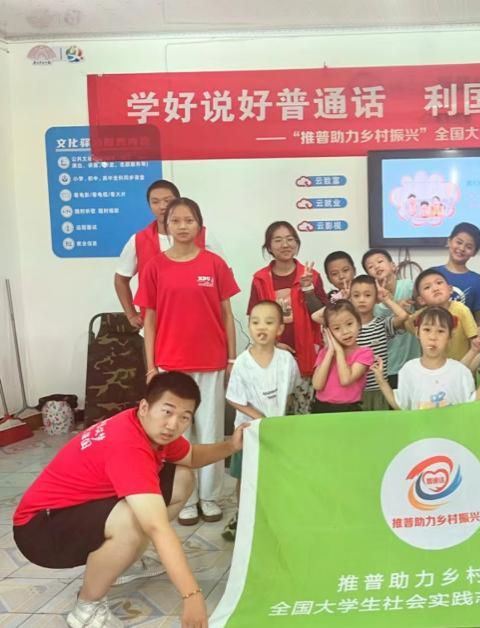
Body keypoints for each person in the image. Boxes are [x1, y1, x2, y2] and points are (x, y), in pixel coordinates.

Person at [13, 372, 247, 628]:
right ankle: (86, 608)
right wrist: (192, 596)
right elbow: (156, 527)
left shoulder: (146, 426)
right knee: (134, 521)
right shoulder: (128, 445)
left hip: (72, 510)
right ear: (145, 407)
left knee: (182, 478)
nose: (173, 425)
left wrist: (231, 446)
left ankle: (122, 560)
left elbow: (191, 457)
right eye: (167, 412)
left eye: (184, 417)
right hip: (40, 530)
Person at [135, 198, 238, 526]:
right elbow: (149, 321)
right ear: (165, 226)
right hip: (171, 364)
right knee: (176, 432)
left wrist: (231, 358)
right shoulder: (154, 267)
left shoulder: (215, 264)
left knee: (209, 430)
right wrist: (151, 367)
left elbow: (227, 314)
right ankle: (186, 497)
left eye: (189, 220)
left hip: (211, 362)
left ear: (199, 225)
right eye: (175, 220)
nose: (182, 226)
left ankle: (210, 496)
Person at [223, 300, 301, 541]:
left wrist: (281, 423)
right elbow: (234, 398)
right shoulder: (242, 363)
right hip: (249, 433)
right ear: (249, 326)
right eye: (255, 322)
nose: (261, 327)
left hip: (277, 433)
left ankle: (274, 516)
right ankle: (243, 516)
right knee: (246, 476)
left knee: (274, 475)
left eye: (269, 322)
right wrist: (261, 419)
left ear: (280, 328)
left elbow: (291, 391)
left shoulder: (286, 360)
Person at [114, 180, 223, 329]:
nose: (162, 206)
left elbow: (223, 279)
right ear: (149, 205)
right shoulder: (138, 240)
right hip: (157, 326)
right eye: (155, 202)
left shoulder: (204, 236)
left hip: (201, 324)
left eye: (168, 200)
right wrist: (131, 314)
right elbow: (121, 279)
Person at [249, 221, 328, 415]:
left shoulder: (311, 276)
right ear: (269, 247)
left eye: (290, 239)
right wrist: (273, 344)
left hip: (307, 355)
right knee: (275, 413)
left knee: (304, 414)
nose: (285, 245)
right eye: (278, 240)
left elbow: (323, 317)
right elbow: (254, 318)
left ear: (297, 243)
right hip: (272, 355)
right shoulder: (260, 279)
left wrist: (308, 289)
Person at [312, 275, 409, 411]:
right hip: (355, 392)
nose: (362, 299)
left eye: (368, 295)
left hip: (376, 387)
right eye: (356, 295)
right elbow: (316, 316)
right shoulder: (344, 327)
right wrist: (341, 301)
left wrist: (386, 300)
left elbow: (403, 316)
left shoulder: (381, 324)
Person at [372, 306, 480, 410]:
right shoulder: (408, 370)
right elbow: (401, 406)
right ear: (417, 332)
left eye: (440, 331)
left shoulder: (460, 371)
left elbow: (470, 405)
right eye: (427, 330)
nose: (433, 337)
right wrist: (381, 381)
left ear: (450, 335)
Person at [362, 248, 420, 389]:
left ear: (393, 266)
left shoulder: (409, 286)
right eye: (370, 266)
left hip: (414, 361)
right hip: (389, 366)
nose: (376, 266)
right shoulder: (371, 302)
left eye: (380, 261)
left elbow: (423, 309)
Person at [311, 301, 375, 413]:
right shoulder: (325, 353)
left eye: (349, 324)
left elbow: (345, 380)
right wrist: (330, 352)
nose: (345, 332)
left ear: (358, 323)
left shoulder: (365, 353)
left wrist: (339, 351)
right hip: (321, 408)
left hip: (349, 409)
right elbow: (317, 385)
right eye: (336, 328)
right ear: (329, 332)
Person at [406, 268, 478, 361]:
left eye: (439, 283)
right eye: (427, 287)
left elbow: (474, 340)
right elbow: (408, 324)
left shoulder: (461, 309)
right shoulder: (424, 316)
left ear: (450, 289)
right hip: (433, 365)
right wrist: (421, 311)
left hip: (462, 364)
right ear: (421, 300)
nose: (435, 289)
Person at [433, 222, 480, 325]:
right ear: (449, 241)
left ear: (474, 252)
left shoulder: (477, 281)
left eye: (468, 247)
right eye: (459, 242)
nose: (462, 248)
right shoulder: (432, 274)